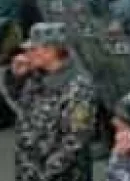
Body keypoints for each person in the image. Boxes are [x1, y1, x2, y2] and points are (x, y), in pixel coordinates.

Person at [9, 22, 96, 181]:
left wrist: (44, 174)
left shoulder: (78, 87)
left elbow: (75, 141)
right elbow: (20, 105)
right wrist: (16, 78)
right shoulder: (37, 75)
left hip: (59, 174)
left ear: (50, 51)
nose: (27, 54)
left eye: (33, 49)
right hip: (29, 165)